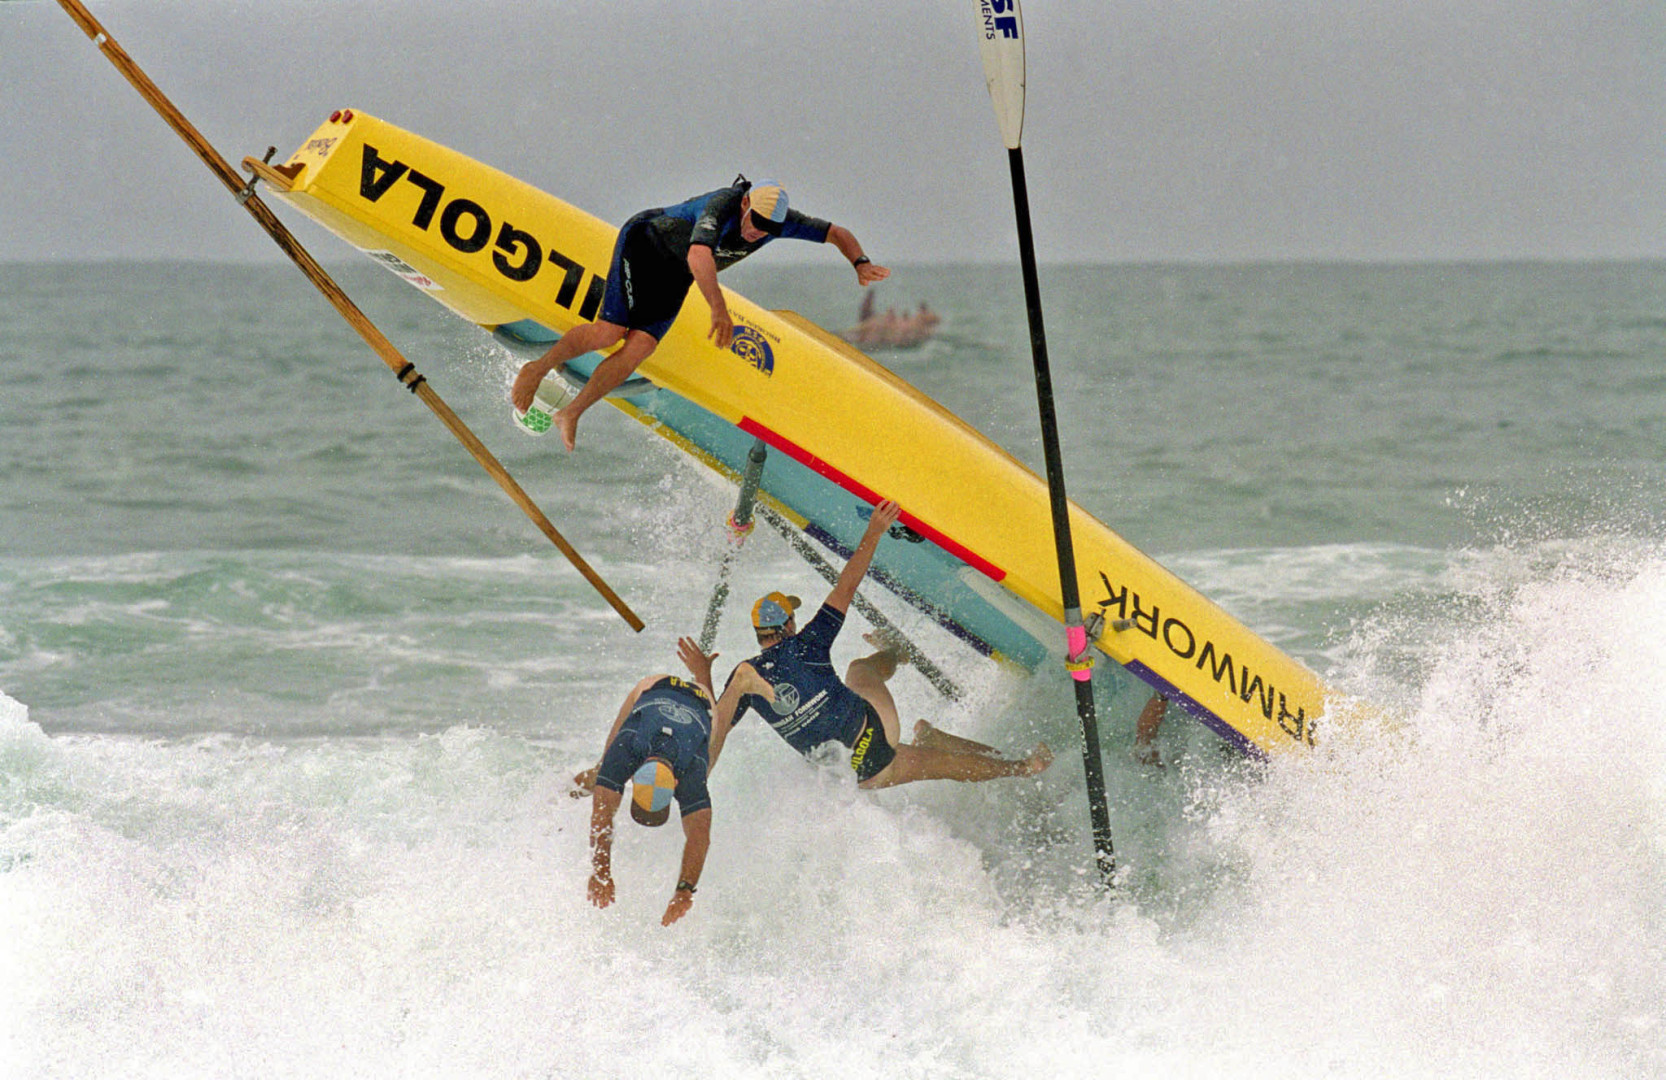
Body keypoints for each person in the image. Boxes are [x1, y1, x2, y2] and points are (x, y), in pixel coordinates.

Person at [511, 176, 891, 450]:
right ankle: (537, 368)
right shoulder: (723, 204)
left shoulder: (779, 221)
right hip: (644, 246)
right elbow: (699, 254)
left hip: (675, 275)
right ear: (746, 206)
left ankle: (572, 412)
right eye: (756, 225)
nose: (759, 233)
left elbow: (836, 232)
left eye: (769, 230)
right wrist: (718, 309)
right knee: (611, 331)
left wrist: (859, 261)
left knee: (640, 348)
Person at [700, 499, 1053, 790]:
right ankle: (897, 654)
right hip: (878, 734)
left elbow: (714, 729)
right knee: (860, 670)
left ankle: (1016, 765)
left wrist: (701, 678)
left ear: (760, 633)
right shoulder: (808, 643)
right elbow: (847, 585)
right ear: (788, 624)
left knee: (943, 765)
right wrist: (874, 531)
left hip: (860, 777)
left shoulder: (743, 678)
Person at [581, 637, 726, 926]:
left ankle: (702, 677)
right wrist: (684, 891)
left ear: (633, 775)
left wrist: (601, 872)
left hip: (688, 697)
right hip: (653, 688)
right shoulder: (677, 769)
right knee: (602, 776)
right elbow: (699, 836)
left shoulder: (685, 769)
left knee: (603, 777)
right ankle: (565, 789)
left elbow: (602, 815)